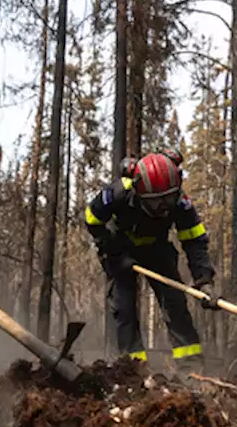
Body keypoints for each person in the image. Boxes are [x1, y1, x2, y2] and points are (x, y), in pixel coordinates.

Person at [85, 151, 218, 372]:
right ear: (139, 193)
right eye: (157, 202)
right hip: (120, 248)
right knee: (124, 309)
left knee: (175, 304)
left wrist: (204, 280)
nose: (164, 207)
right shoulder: (118, 193)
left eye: (168, 199)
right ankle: (134, 370)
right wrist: (114, 252)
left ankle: (192, 368)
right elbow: (92, 219)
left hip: (157, 248)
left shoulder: (180, 203)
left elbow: (194, 241)